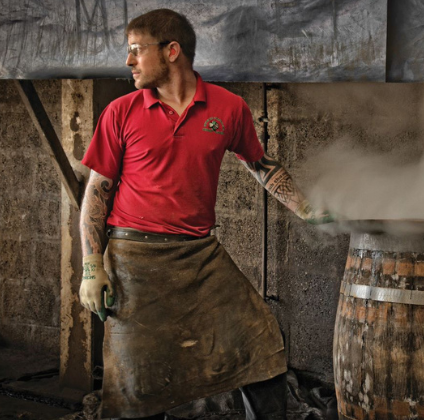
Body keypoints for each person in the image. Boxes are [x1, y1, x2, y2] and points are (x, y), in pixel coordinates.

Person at [78, 9, 332, 420]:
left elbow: (260, 164)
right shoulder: (120, 112)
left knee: (262, 348)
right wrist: (92, 267)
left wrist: (305, 207)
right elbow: (96, 195)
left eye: (137, 50)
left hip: (200, 255)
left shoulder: (228, 108)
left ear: (172, 51)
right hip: (134, 259)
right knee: (136, 387)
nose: (129, 61)